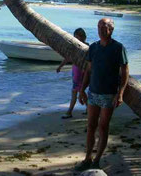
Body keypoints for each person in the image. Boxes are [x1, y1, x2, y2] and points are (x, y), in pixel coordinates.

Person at [76, 18, 129, 171]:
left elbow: (125, 71)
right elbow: (88, 70)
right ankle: (87, 158)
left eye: (104, 26)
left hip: (109, 94)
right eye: (99, 26)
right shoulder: (93, 47)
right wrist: (82, 90)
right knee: (91, 126)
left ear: (111, 29)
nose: (100, 29)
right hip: (93, 92)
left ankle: (97, 160)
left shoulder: (118, 48)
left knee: (103, 127)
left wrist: (120, 94)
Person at [56, 28, 88, 119]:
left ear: (83, 37)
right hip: (77, 71)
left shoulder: (84, 47)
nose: (77, 39)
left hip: (80, 72)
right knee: (81, 91)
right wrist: (60, 66)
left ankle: (69, 111)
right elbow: (68, 57)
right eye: (76, 37)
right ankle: (88, 108)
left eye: (78, 37)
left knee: (75, 91)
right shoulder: (79, 46)